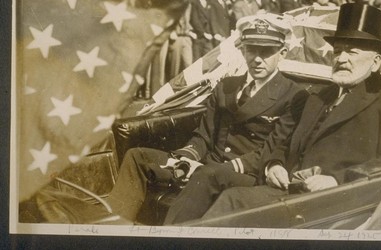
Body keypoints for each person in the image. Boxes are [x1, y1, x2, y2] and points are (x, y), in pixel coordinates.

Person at [200, 3, 381, 220]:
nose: (341, 59)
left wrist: (337, 181)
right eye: (337, 52)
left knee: (233, 203)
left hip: (343, 200)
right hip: (292, 190)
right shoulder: (321, 96)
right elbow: (287, 144)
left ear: (375, 62)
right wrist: (274, 165)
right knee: (227, 195)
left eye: (352, 52)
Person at [106, 17, 308, 223]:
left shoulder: (293, 95)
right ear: (242, 50)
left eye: (266, 52)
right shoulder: (227, 86)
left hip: (244, 174)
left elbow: (272, 150)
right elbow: (204, 134)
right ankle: (112, 230)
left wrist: (208, 168)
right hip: (207, 165)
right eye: (251, 49)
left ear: (282, 53)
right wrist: (186, 158)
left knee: (207, 175)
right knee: (137, 157)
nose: (257, 59)